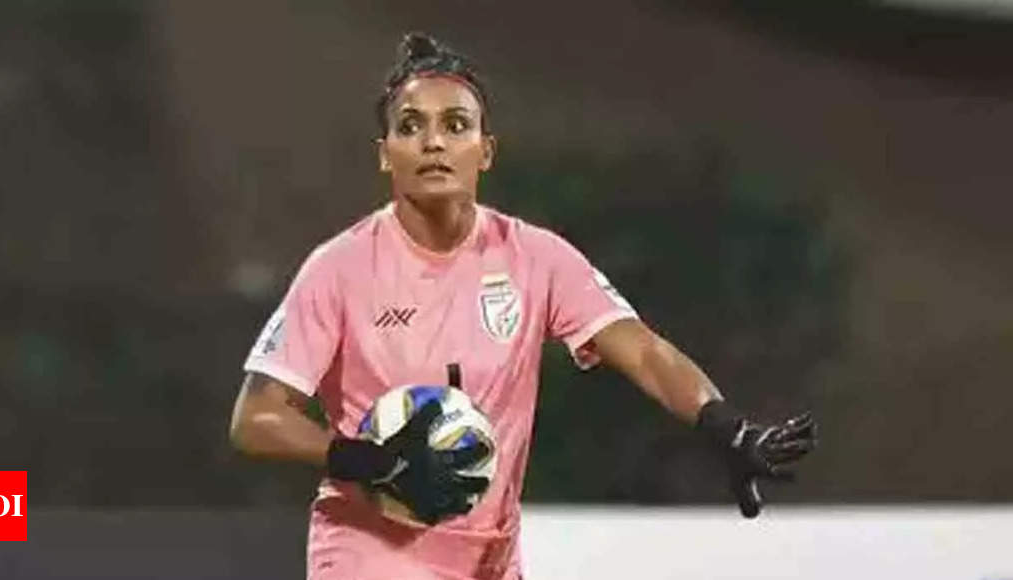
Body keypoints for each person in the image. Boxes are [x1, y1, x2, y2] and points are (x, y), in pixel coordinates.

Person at [229, 32, 817, 580]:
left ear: (485, 151)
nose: (433, 141)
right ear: (385, 154)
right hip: (370, 551)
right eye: (411, 127)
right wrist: (368, 460)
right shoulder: (339, 269)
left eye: (455, 125)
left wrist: (726, 427)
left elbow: (641, 350)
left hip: (491, 555)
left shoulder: (535, 258)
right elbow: (255, 418)